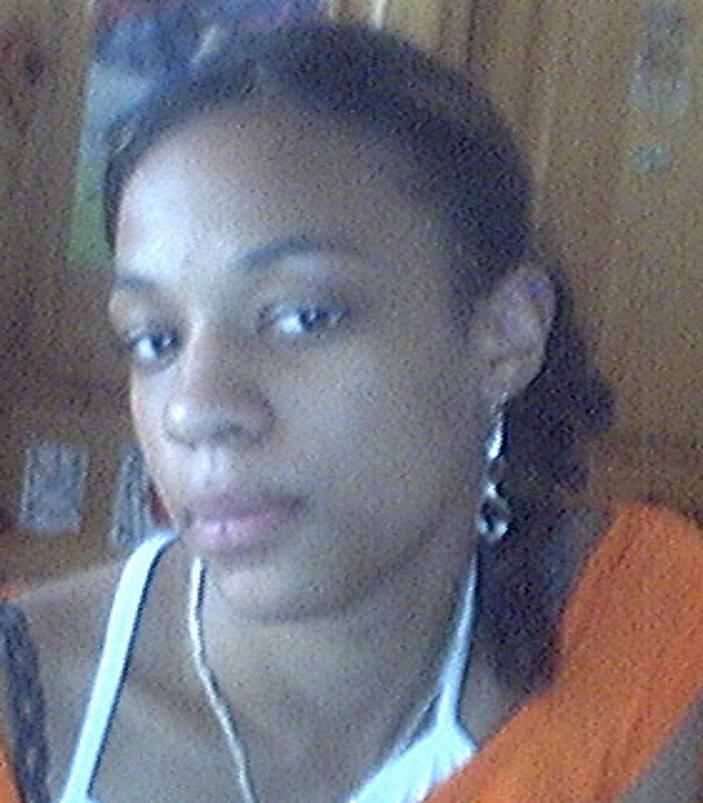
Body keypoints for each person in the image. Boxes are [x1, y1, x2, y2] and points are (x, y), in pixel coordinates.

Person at [2, 20, 703, 803]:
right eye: (154, 339)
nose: (196, 408)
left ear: (504, 335)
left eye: (302, 316)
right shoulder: (25, 717)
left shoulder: (645, 630)